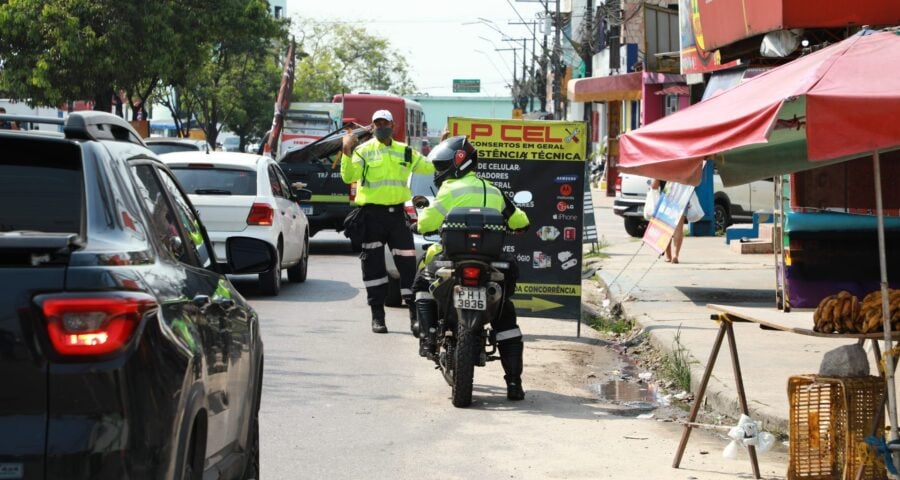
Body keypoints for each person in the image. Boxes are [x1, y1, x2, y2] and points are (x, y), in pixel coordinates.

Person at [410, 135, 530, 400]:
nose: (440, 171)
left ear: (457, 163)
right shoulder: (494, 191)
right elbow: (521, 221)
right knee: (506, 317)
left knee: (421, 283)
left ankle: (428, 337)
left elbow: (426, 223)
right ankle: (514, 384)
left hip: (451, 261)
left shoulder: (449, 190)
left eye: (442, 166)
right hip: (491, 265)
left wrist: (419, 219)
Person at [341, 109, 435, 334]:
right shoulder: (363, 151)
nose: (381, 126)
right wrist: (346, 151)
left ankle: (415, 317)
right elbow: (347, 176)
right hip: (371, 217)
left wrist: (439, 149)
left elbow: (429, 167)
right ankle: (377, 317)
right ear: (372, 127)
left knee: (408, 267)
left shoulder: (405, 151)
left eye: (385, 122)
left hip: (396, 217)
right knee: (372, 267)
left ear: (393, 126)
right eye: (377, 123)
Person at [651, 179, 685, 263]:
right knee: (678, 228)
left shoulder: (662, 166)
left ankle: (668, 255)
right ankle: (675, 255)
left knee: (665, 227)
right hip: (682, 197)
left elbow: (654, 186)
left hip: (666, 197)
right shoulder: (684, 165)